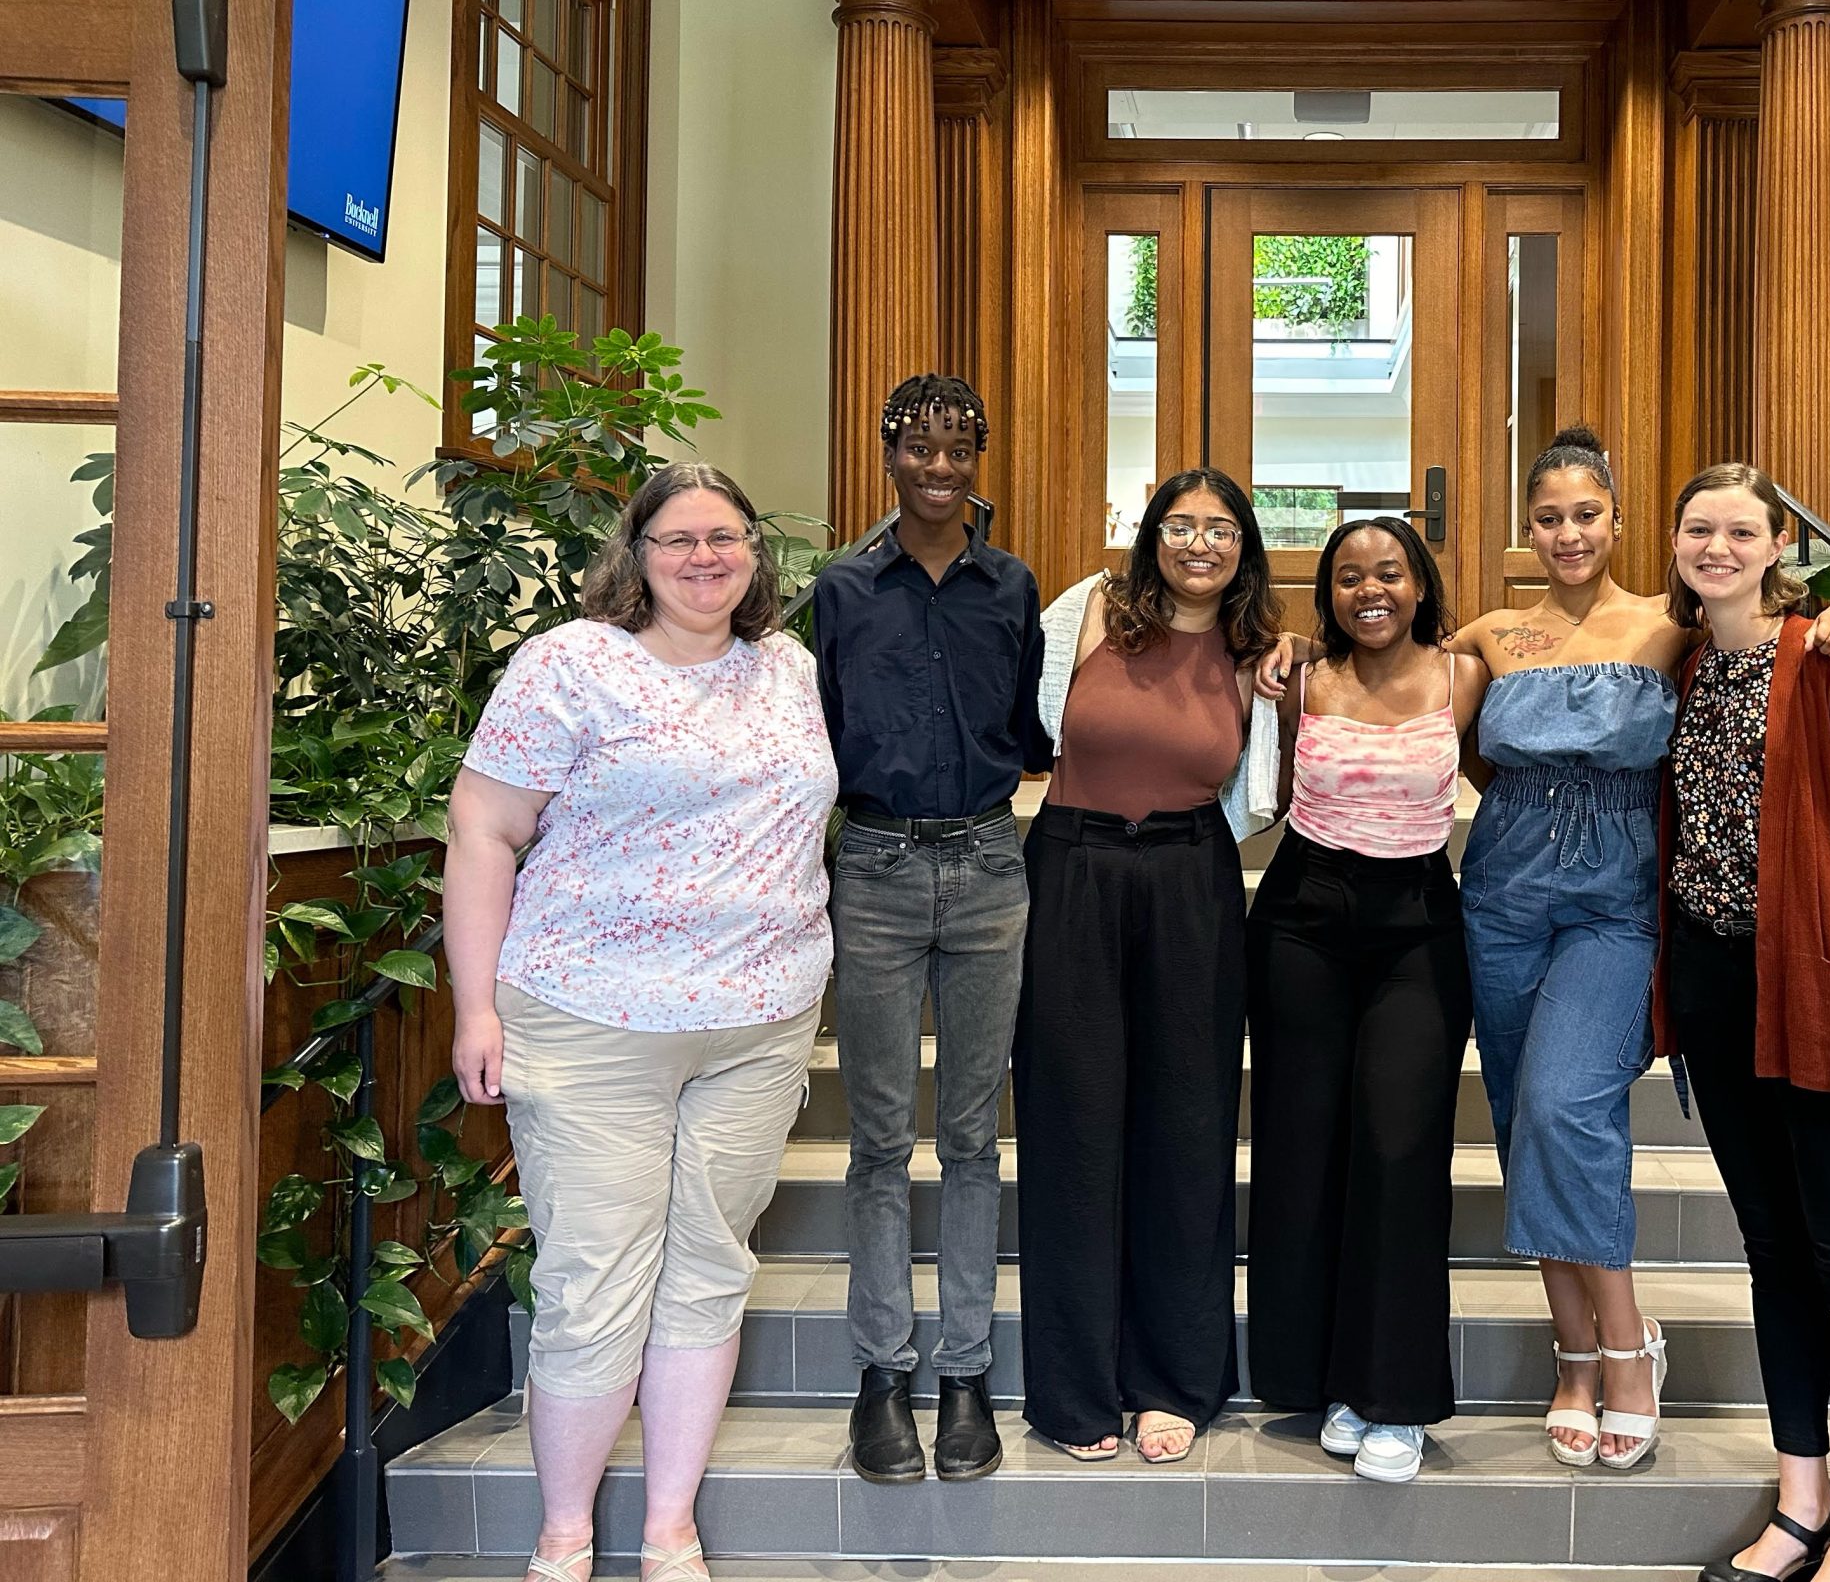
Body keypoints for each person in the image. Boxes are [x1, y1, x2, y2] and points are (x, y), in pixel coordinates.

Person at [1444, 428, 1830, 1474]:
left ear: (1619, 522)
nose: (1568, 532)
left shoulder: (1669, 629)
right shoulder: (1490, 634)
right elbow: (1435, 732)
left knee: (1562, 1102)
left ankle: (1629, 1346)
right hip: (1501, 894)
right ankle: (1572, 1355)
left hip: (1617, 902)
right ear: (1525, 528)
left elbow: (1761, 634)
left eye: (1587, 514)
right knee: (1516, 1118)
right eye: (1548, 517)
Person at [446, 463, 835, 1582]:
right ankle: (564, 1534)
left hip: (757, 1024)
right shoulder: (570, 664)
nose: (703, 557)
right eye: (677, 539)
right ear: (636, 553)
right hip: (589, 1017)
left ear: (755, 552)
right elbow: (482, 830)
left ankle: (670, 1528)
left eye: (725, 536)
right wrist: (476, 1005)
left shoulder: (787, 669)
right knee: (594, 1276)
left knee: (710, 1266)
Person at [1657, 463, 1830, 1582]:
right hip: (1714, 990)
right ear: (1675, 542)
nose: (1716, 546)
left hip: (1819, 994)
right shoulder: (1680, 666)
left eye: (1739, 531)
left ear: (1776, 545)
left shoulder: (1827, 658)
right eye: (1698, 527)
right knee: (1773, 1251)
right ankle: (1798, 1491)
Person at [1013, 468, 1281, 1465]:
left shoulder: (1256, 652)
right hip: (1072, 869)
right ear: (1151, 533)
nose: (1200, 542)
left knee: (1186, 1124)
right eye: (1183, 524)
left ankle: (1173, 1379)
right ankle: (1076, 1388)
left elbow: (1260, 787)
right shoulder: (1088, 610)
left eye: (1220, 529)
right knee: (1070, 1126)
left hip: (1187, 878)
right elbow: (1024, 723)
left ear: (1244, 547)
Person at [808, 374, 1047, 1485]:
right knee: (875, 1140)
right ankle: (880, 1373)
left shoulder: (1011, 587)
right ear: (889, 451)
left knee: (968, 1138)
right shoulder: (843, 589)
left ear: (979, 458)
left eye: (960, 450)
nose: (940, 469)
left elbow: (1021, 722)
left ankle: (963, 1374)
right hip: (879, 867)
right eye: (921, 449)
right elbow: (822, 728)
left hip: (991, 865)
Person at [1245, 517, 1487, 1485]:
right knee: (1303, 1145)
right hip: (1303, 915)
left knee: (1398, 1147)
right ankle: (1319, 1380)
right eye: (1349, 577)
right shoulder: (1299, 674)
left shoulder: (1467, 672)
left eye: (1388, 573)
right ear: (1328, 593)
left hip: (1417, 924)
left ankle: (1393, 1399)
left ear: (1420, 583)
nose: (1370, 590)